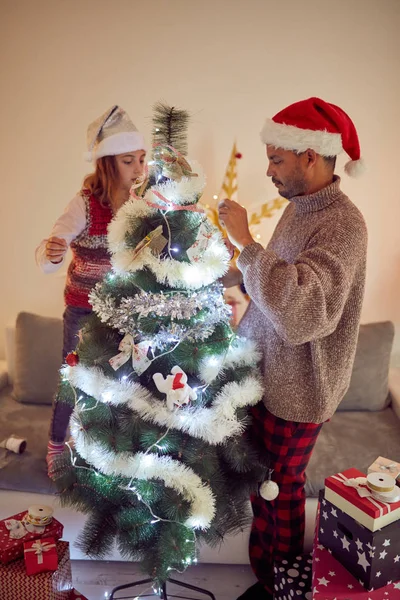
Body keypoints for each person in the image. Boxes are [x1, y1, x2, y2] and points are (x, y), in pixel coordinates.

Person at [218, 97, 368, 599]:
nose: (268, 170)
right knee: (264, 490)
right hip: (264, 377)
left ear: (311, 156)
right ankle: (272, 577)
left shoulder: (344, 226)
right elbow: (276, 281)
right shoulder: (299, 211)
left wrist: (248, 244)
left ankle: (278, 584)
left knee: (278, 494)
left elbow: (304, 312)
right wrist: (227, 269)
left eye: (277, 159)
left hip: (299, 389)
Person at [35, 105, 147, 473]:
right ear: (107, 164)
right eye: (129, 161)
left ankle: (108, 448)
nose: (139, 168)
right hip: (83, 310)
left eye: (142, 159)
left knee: (120, 382)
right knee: (72, 379)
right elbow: (53, 247)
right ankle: (56, 444)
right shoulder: (84, 204)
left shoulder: (140, 204)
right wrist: (52, 252)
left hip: (123, 311)